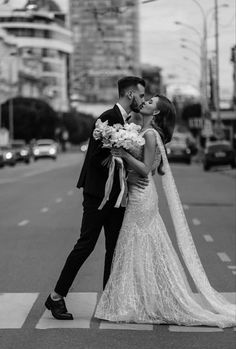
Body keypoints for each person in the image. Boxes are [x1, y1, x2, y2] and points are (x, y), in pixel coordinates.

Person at [95, 94, 236, 328]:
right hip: (137, 194)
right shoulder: (139, 130)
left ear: (157, 113)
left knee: (135, 243)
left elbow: (145, 169)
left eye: (150, 102)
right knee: (137, 245)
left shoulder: (150, 135)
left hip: (142, 195)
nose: (146, 102)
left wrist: (124, 154)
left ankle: (138, 301)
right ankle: (137, 299)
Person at [45, 76, 146, 320]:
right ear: (130, 94)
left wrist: (125, 162)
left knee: (114, 249)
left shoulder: (125, 121)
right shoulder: (108, 118)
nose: (142, 100)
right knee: (85, 245)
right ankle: (56, 297)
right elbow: (96, 159)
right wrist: (123, 163)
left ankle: (109, 302)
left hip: (116, 196)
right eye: (141, 95)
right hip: (99, 195)